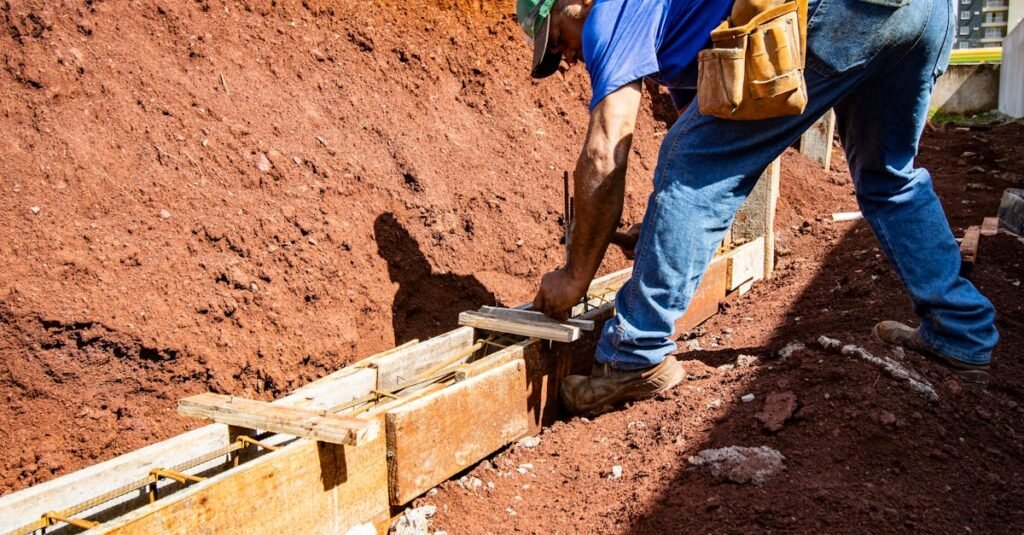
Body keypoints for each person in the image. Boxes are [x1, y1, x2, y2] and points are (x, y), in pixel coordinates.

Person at [520, 0, 999, 416]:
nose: (565, 59)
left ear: (575, 3)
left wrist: (575, 276)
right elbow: (713, 145)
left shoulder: (610, 14)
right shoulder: (675, 25)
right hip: (926, 12)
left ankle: (634, 353)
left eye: (559, 40)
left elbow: (608, 151)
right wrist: (657, 237)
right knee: (889, 178)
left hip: (843, 10)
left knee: (686, 163)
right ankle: (960, 333)